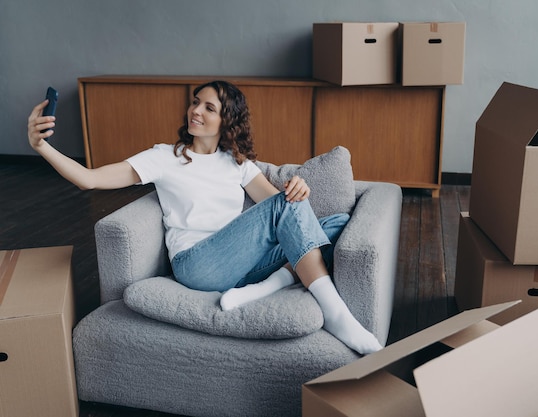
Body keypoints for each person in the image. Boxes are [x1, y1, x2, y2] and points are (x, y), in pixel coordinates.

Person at [27, 80, 382, 355]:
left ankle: (264, 288)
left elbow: (288, 209)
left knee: (332, 223)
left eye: (208, 107)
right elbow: (89, 179)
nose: (195, 110)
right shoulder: (165, 157)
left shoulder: (237, 163)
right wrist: (42, 147)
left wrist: (299, 189)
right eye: (195, 102)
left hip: (240, 267)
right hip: (197, 264)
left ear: (226, 119)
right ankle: (337, 316)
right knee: (295, 216)